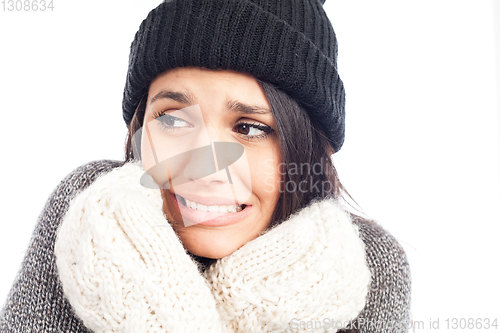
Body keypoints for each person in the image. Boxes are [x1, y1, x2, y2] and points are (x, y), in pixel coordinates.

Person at [0, 0, 412, 332]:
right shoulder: (96, 212)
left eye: (249, 128)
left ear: (310, 148)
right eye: (173, 120)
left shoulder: (366, 265)